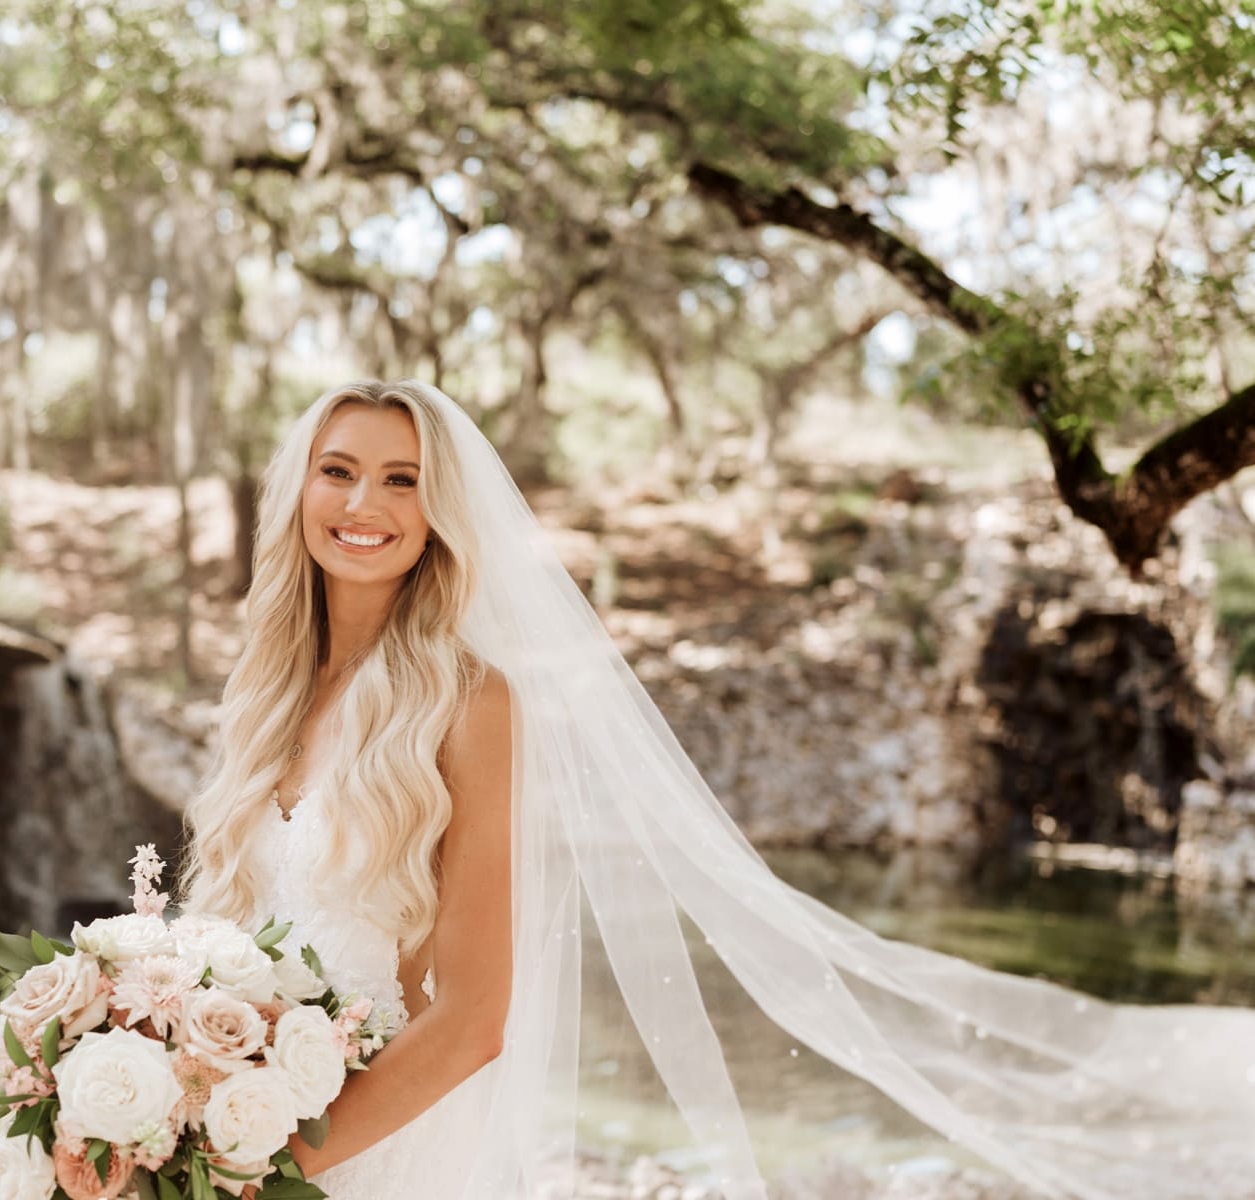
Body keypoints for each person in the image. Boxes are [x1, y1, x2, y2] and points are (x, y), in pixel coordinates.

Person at [177, 379, 1255, 1200]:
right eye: (339, 469)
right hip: (225, 1137)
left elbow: (472, 1020)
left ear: (438, 514)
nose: (365, 502)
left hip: (359, 1154)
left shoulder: (470, 704)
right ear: (299, 490)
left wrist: (273, 1164)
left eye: (402, 479)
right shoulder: (264, 691)